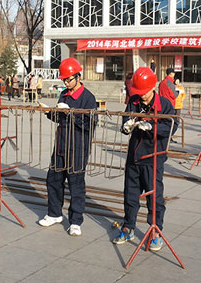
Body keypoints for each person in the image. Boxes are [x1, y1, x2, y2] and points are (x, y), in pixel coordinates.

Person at [112, 67, 177, 251]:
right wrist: (127, 126)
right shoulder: (134, 101)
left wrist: (152, 128)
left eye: (145, 93)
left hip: (153, 157)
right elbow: (127, 119)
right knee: (130, 194)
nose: (142, 96)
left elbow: (173, 126)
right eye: (138, 93)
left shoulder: (164, 104)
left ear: (153, 86)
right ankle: (128, 226)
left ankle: (156, 231)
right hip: (134, 156)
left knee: (154, 197)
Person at [38, 58, 97, 237]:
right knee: (53, 179)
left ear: (78, 76)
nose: (66, 82)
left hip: (78, 146)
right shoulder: (64, 94)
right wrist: (50, 112)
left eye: (69, 79)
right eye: (64, 80)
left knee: (76, 184)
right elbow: (59, 118)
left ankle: (76, 221)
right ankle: (54, 213)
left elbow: (90, 124)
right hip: (61, 144)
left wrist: (71, 114)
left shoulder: (88, 98)